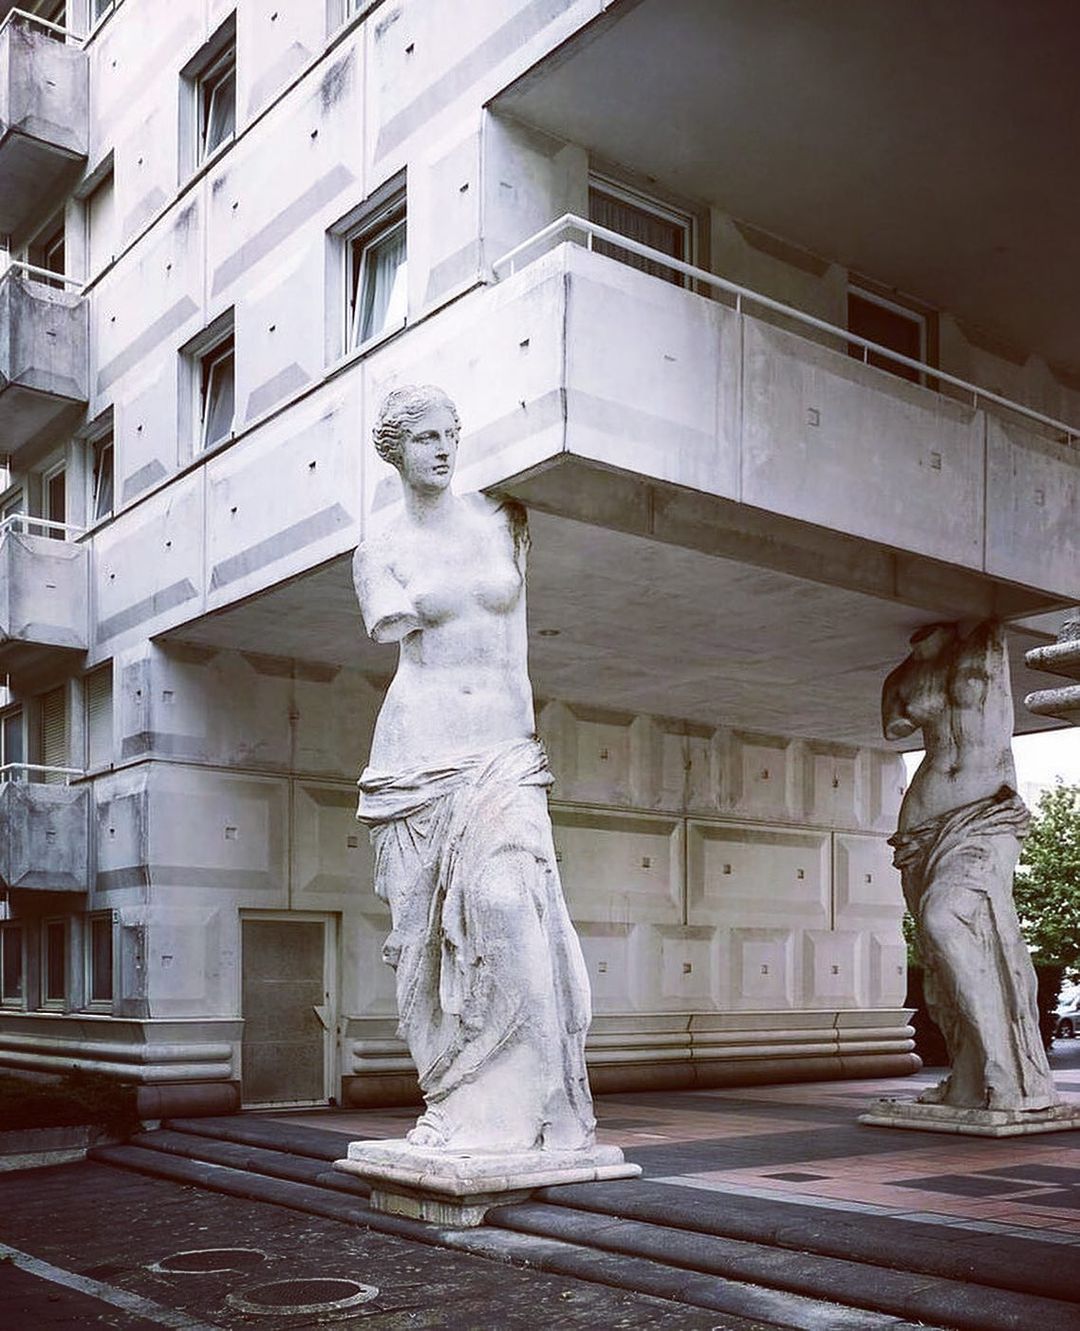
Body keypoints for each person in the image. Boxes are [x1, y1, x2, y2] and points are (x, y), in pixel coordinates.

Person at [352, 384, 596, 1152]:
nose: (444, 447)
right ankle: (454, 1100)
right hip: (417, 760)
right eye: (426, 436)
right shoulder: (380, 548)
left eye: (452, 433)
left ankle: (538, 1101)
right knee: (425, 946)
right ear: (396, 449)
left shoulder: (504, 522)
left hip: (504, 756)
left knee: (507, 906)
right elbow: (394, 626)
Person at [882, 620, 1056, 1111]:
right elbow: (896, 726)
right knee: (938, 954)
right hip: (922, 821)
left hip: (987, 813)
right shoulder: (903, 675)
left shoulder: (986, 637)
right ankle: (969, 1073)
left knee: (944, 919)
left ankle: (1004, 1065)